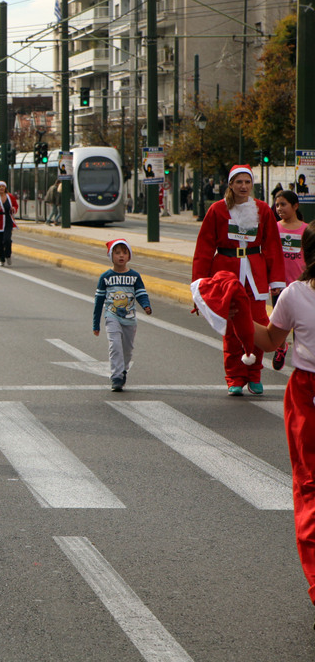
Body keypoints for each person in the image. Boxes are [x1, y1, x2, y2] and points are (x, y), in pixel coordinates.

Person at [250, 224, 315, 621]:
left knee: (309, 486)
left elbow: (270, 341)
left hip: (307, 393)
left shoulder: (296, 294)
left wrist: (235, 317)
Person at [192, 165, 285, 395]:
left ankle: (254, 374)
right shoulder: (217, 210)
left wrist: (276, 281)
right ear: (230, 185)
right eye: (238, 182)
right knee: (232, 326)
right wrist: (199, 285)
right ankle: (234, 376)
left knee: (259, 324)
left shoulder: (263, 210)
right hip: (226, 274)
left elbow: (273, 246)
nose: (243, 186)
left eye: (247, 182)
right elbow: (204, 249)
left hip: (255, 273)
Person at [91, 239, 153, 392]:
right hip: (112, 316)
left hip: (130, 319)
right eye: (117, 253)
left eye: (124, 253)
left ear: (129, 256)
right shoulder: (105, 277)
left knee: (127, 349)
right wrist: (96, 324)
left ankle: (123, 369)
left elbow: (141, 293)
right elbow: (99, 302)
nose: (121, 256)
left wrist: (146, 305)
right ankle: (116, 376)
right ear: (110, 256)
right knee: (115, 346)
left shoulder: (134, 276)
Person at [273, 190, 306, 369]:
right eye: (277, 205)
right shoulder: (274, 228)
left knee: (300, 324)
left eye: (283, 204)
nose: (279, 208)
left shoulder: (306, 229)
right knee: (279, 323)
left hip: (300, 285)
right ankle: (280, 348)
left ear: (295, 206)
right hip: (279, 285)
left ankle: (300, 358)